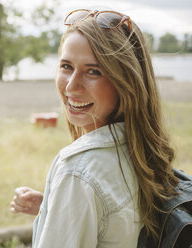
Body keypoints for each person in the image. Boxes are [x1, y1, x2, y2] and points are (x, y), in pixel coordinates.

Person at [10, 9, 179, 247]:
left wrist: (70, 195)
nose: (71, 86)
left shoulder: (78, 172)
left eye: (93, 71)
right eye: (66, 66)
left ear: (126, 81)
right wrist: (53, 207)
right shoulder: (141, 152)